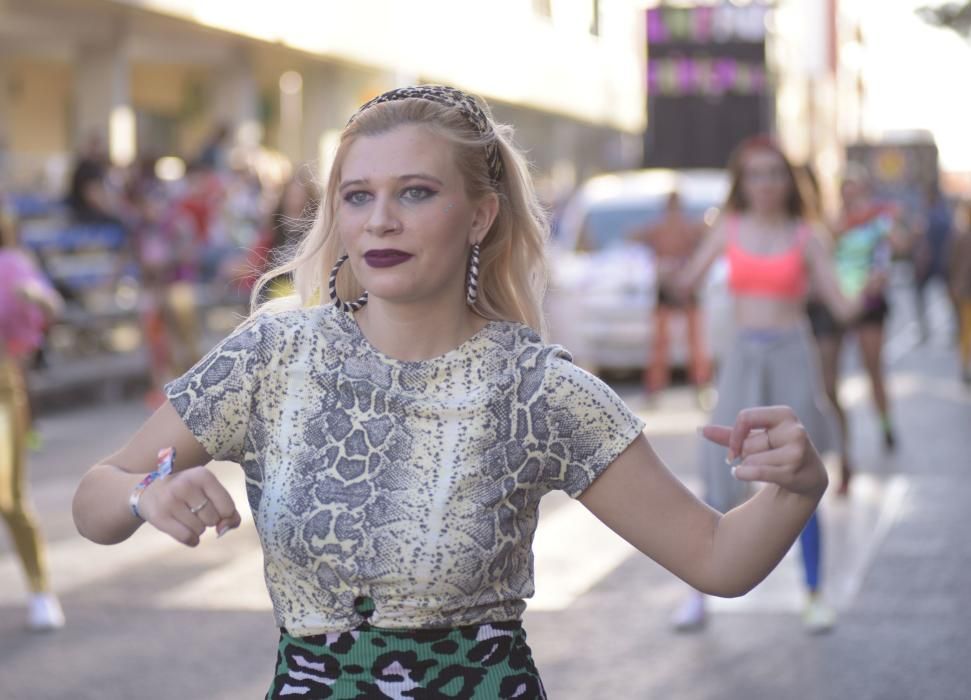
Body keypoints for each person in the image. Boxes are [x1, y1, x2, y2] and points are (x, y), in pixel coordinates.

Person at [73, 86, 830, 697]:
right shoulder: (272, 356)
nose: (381, 221)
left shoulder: (539, 388)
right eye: (358, 196)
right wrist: (146, 495)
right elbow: (95, 496)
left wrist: (797, 487)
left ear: (480, 215)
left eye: (415, 192)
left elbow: (715, 558)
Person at [664, 135, 871, 634]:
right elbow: (685, 283)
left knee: (798, 473)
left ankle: (815, 593)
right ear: (743, 182)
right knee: (717, 469)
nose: (766, 184)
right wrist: (668, 269)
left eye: (775, 173)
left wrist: (870, 286)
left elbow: (842, 307)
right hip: (742, 358)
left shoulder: (806, 236)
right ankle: (698, 594)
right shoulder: (727, 229)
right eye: (755, 174)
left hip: (791, 355)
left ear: (788, 181)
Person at [806, 164, 905, 495]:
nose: (849, 195)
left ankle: (885, 422)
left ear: (862, 190)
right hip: (833, 304)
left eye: (855, 189)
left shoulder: (877, 219)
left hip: (869, 304)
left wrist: (887, 259)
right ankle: (844, 452)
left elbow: (896, 246)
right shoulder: (830, 224)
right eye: (844, 189)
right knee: (828, 384)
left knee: (872, 368)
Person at [0, 212, 66, 631]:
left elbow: (51, 303)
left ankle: (40, 589)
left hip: (3, 387)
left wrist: (35, 298)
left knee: (9, 496)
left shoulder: (11, 263)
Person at [631, 191, 711, 398]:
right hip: (671, 286)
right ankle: (656, 385)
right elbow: (635, 236)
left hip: (683, 285)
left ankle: (698, 383)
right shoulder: (662, 228)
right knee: (662, 339)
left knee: (691, 339)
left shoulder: (684, 227)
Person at [914, 186, 954, 342]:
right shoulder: (947, 215)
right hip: (943, 263)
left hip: (931, 264)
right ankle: (952, 331)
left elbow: (923, 243)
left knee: (922, 297)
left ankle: (925, 331)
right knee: (949, 297)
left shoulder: (928, 217)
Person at [949, 199, 971, 386]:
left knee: (965, 330)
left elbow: (953, 263)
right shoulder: (961, 236)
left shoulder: (961, 235)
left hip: (963, 290)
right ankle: (965, 365)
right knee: (965, 329)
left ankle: (966, 365)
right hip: (965, 291)